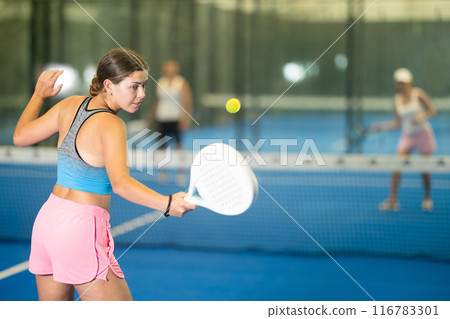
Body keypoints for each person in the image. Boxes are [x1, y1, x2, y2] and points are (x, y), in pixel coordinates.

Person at [13, 48, 196, 301]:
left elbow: (20, 136)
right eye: (134, 87)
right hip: (80, 231)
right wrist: (168, 204)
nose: (142, 94)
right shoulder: (112, 124)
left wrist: (38, 95)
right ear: (109, 85)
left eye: (143, 86)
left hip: (47, 222)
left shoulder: (69, 105)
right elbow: (121, 184)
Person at [371, 68, 437, 212]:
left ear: (409, 83)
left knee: (425, 169)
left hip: (422, 134)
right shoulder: (396, 100)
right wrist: (380, 126)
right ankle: (392, 200)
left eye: (403, 82)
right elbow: (397, 123)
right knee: (396, 166)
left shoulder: (418, 94)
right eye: (399, 83)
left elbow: (432, 110)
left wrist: (421, 117)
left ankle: (427, 198)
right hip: (407, 135)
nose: (401, 85)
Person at [146, 60, 193, 151]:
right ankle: (162, 164)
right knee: (161, 144)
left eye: (172, 68)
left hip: (176, 117)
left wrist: (186, 118)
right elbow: (158, 101)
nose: (170, 71)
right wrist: (151, 116)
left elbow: (187, 101)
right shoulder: (161, 82)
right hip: (162, 117)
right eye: (168, 68)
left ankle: (181, 164)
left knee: (178, 143)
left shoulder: (181, 82)